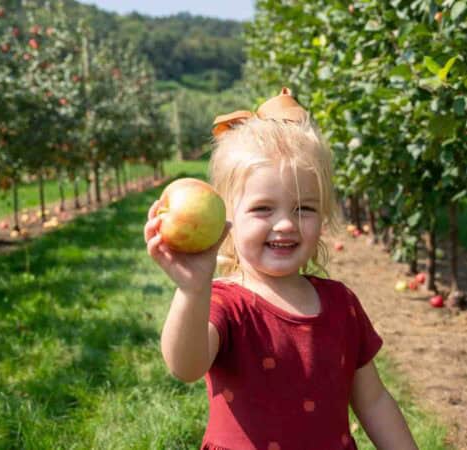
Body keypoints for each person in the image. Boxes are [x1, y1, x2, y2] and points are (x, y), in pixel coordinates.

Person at [143, 88, 418, 450]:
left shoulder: (340, 303)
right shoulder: (227, 304)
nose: (285, 224)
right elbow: (186, 365)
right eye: (263, 209)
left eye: (304, 209)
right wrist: (193, 290)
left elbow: (373, 401)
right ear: (227, 219)